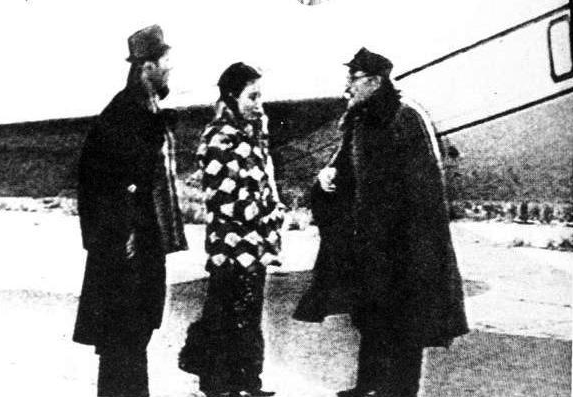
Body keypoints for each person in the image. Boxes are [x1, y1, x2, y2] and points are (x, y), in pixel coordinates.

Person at [294, 47, 469, 397]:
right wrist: (326, 179)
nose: (347, 87)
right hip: (370, 246)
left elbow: (423, 193)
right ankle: (368, 385)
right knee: (372, 318)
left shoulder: (405, 119)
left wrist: (414, 249)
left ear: (375, 81)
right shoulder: (358, 121)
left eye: (353, 80)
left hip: (403, 248)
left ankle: (401, 392)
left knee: (406, 324)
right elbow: (342, 169)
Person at [73, 25, 188, 397]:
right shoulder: (125, 114)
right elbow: (97, 182)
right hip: (127, 250)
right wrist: (123, 235)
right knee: (124, 338)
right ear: (146, 66)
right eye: (166, 63)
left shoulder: (143, 110)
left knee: (132, 337)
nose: (171, 70)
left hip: (136, 244)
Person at [178, 62, 284, 397]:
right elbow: (225, 199)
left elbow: (264, 185)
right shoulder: (217, 139)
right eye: (251, 97)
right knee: (225, 314)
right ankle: (216, 383)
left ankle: (249, 382)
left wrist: (271, 212)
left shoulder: (253, 135)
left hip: (255, 246)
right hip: (230, 247)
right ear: (231, 97)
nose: (258, 104)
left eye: (260, 97)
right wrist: (267, 215)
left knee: (248, 315)